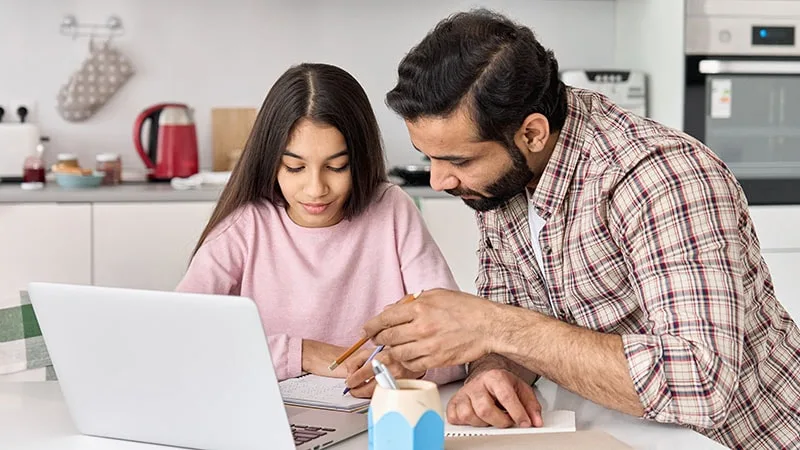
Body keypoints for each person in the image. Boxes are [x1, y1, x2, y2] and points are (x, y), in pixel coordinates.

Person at [358, 9, 800, 449]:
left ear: (532, 133)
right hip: (618, 433)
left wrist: (490, 327)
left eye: (459, 161)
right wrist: (494, 372)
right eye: (429, 156)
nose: (439, 181)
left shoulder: (661, 177)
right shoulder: (502, 180)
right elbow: (517, 314)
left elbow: (701, 385)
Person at [176, 63, 464, 396]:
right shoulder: (246, 226)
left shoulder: (392, 208)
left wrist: (410, 365)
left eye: (337, 166)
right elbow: (180, 336)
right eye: (295, 167)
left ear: (360, 159)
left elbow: (456, 339)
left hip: (373, 414)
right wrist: (301, 353)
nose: (315, 189)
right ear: (271, 161)